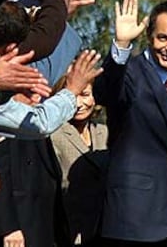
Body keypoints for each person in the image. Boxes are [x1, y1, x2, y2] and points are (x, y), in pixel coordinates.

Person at [94, 0, 167, 247]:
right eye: (164, 38)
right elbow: (106, 90)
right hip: (133, 223)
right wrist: (121, 44)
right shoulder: (131, 74)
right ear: (150, 36)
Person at [51, 80, 108, 246]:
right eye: (73, 97)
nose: (78, 104)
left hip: (104, 227)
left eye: (84, 95)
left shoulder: (104, 131)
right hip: (69, 229)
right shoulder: (54, 134)